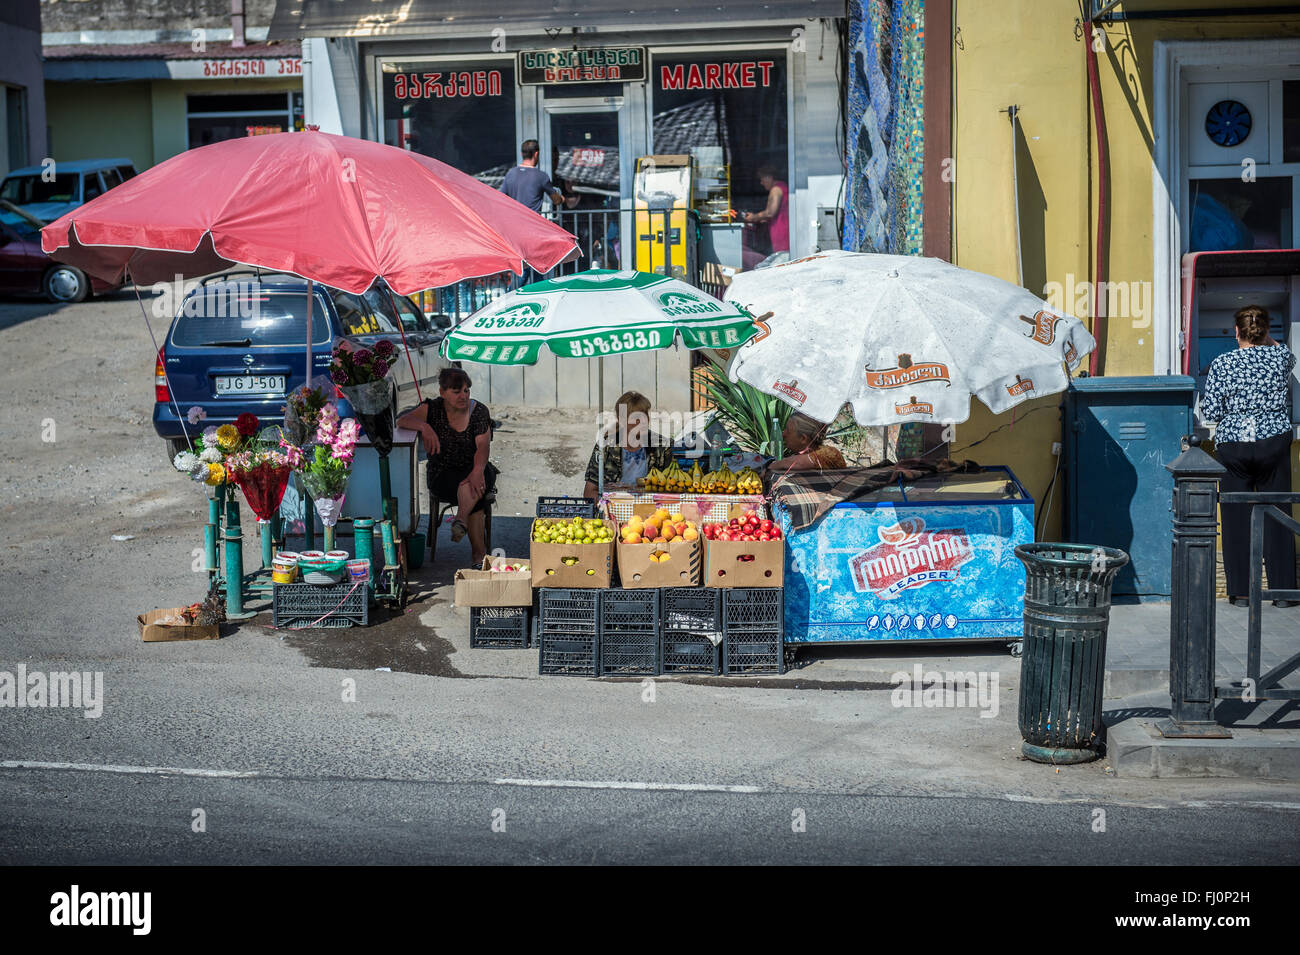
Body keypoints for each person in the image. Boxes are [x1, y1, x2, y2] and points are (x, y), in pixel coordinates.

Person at [1201, 304, 1297, 607]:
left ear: (1236, 331)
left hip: (1235, 446)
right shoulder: (1281, 358)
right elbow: (1286, 353)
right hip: (1273, 442)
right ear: (1267, 330)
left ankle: (1240, 592)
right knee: (1279, 514)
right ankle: (1282, 592)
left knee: (1235, 518)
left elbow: (1211, 412)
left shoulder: (1221, 363)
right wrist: (1267, 339)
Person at [397, 367, 497, 566]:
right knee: (474, 494)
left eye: (466, 390)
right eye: (456, 391)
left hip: (476, 467)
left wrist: (477, 470)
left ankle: (461, 519)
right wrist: (424, 427)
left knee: (476, 481)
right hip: (443, 473)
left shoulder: (478, 411)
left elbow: (483, 446)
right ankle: (479, 557)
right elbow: (402, 420)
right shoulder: (431, 409)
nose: (463, 396)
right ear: (443, 392)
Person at [583, 391, 676, 500]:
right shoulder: (606, 446)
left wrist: (634, 490)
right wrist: (612, 505)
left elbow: (672, 490)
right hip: (613, 508)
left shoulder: (662, 447)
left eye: (644, 416)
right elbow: (589, 492)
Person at [500, 139, 578, 214]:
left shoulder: (510, 173)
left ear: (522, 154)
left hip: (514, 222)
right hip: (532, 223)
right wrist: (562, 199)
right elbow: (556, 200)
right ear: (536, 154)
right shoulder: (541, 176)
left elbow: (501, 197)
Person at [741, 165, 790, 270]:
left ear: (769, 177)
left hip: (781, 232)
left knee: (781, 260)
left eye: (762, 179)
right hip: (782, 229)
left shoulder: (776, 189)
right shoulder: (783, 186)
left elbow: (770, 212)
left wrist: (754, 217)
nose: (761, 183)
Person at [767, 412, 847, 473]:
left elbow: (802, 462)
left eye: (788, 431)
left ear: (803, 438)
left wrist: (775, 465)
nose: (783, 434)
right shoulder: (803, 456)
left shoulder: (830, 454)